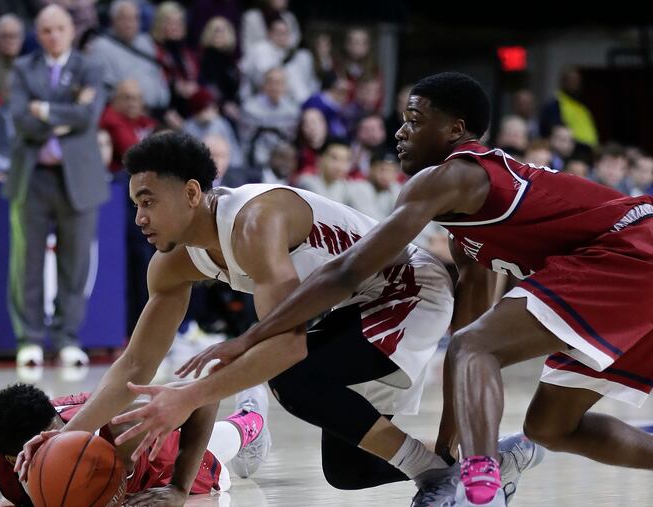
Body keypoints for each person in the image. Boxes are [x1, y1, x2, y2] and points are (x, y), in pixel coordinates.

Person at [160, 71, 653, 506]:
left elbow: (346, 273)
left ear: (455, 131)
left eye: (415, 119)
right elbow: (473, 325)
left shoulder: (448, 177)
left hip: (629, 249)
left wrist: (247, 338)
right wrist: (449, 441)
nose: (401, 131)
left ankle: (477, 492)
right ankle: (471, 470)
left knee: (468, 348)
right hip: (623, 261)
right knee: (552, 427)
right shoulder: (469, 228)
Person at [15, 131, 539, 506]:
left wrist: (190, 396)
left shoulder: (253, 222)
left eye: (148, 201)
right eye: (134, 204)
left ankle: (442, 480)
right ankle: (488, 461)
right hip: (346, 309)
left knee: (291, 377)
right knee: (345, 471)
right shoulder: (171, 266)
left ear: (192, 192)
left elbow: (285, 347)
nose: (140, 218)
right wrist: (66, 434)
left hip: (406, 290)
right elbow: (136, 364)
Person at [0, 383, 270, 506]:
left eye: (59, 431)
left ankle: (251, 418)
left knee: (231, 443)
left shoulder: (112, 431)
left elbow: (203, 397)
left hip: (159, 464)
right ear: (11, 458)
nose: (62, 443)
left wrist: (178, 488)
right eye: (44, 444)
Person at [4, 5, 109, 368]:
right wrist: (66, 114)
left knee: (75, 261)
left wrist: (44, 111)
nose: (53, 36)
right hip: (32, 177)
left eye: (60, 29)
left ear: (71, 31)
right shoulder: (22, 68)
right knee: (26, 261)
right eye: (46, 30)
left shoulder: (90, 67)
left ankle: (67, 338)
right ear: (38, 32)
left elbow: (89, 117)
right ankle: (29, 339)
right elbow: (20, 120)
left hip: (76, 178)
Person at [87, 0, 171, 112]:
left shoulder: (146, 42)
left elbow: (158, 76)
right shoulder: (100, 47)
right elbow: (104, 90)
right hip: (127, 114)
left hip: (159, 111)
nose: (129, 24)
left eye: (134, 18)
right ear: (113, 20)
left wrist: (165, 107)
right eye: (124, 19)